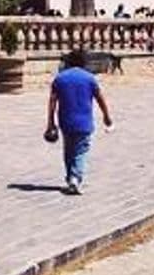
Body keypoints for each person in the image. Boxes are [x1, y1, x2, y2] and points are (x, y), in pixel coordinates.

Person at [45, 49, 113, 195]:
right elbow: (100, 98)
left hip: (66, 121)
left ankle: (71, 177)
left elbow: (52, 102)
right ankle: (75, 178)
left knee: (69, 150)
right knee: (81, 151)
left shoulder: (60, 78)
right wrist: (106, 116)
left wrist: (50, 122)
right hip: (84, 122)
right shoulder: (89, 78)